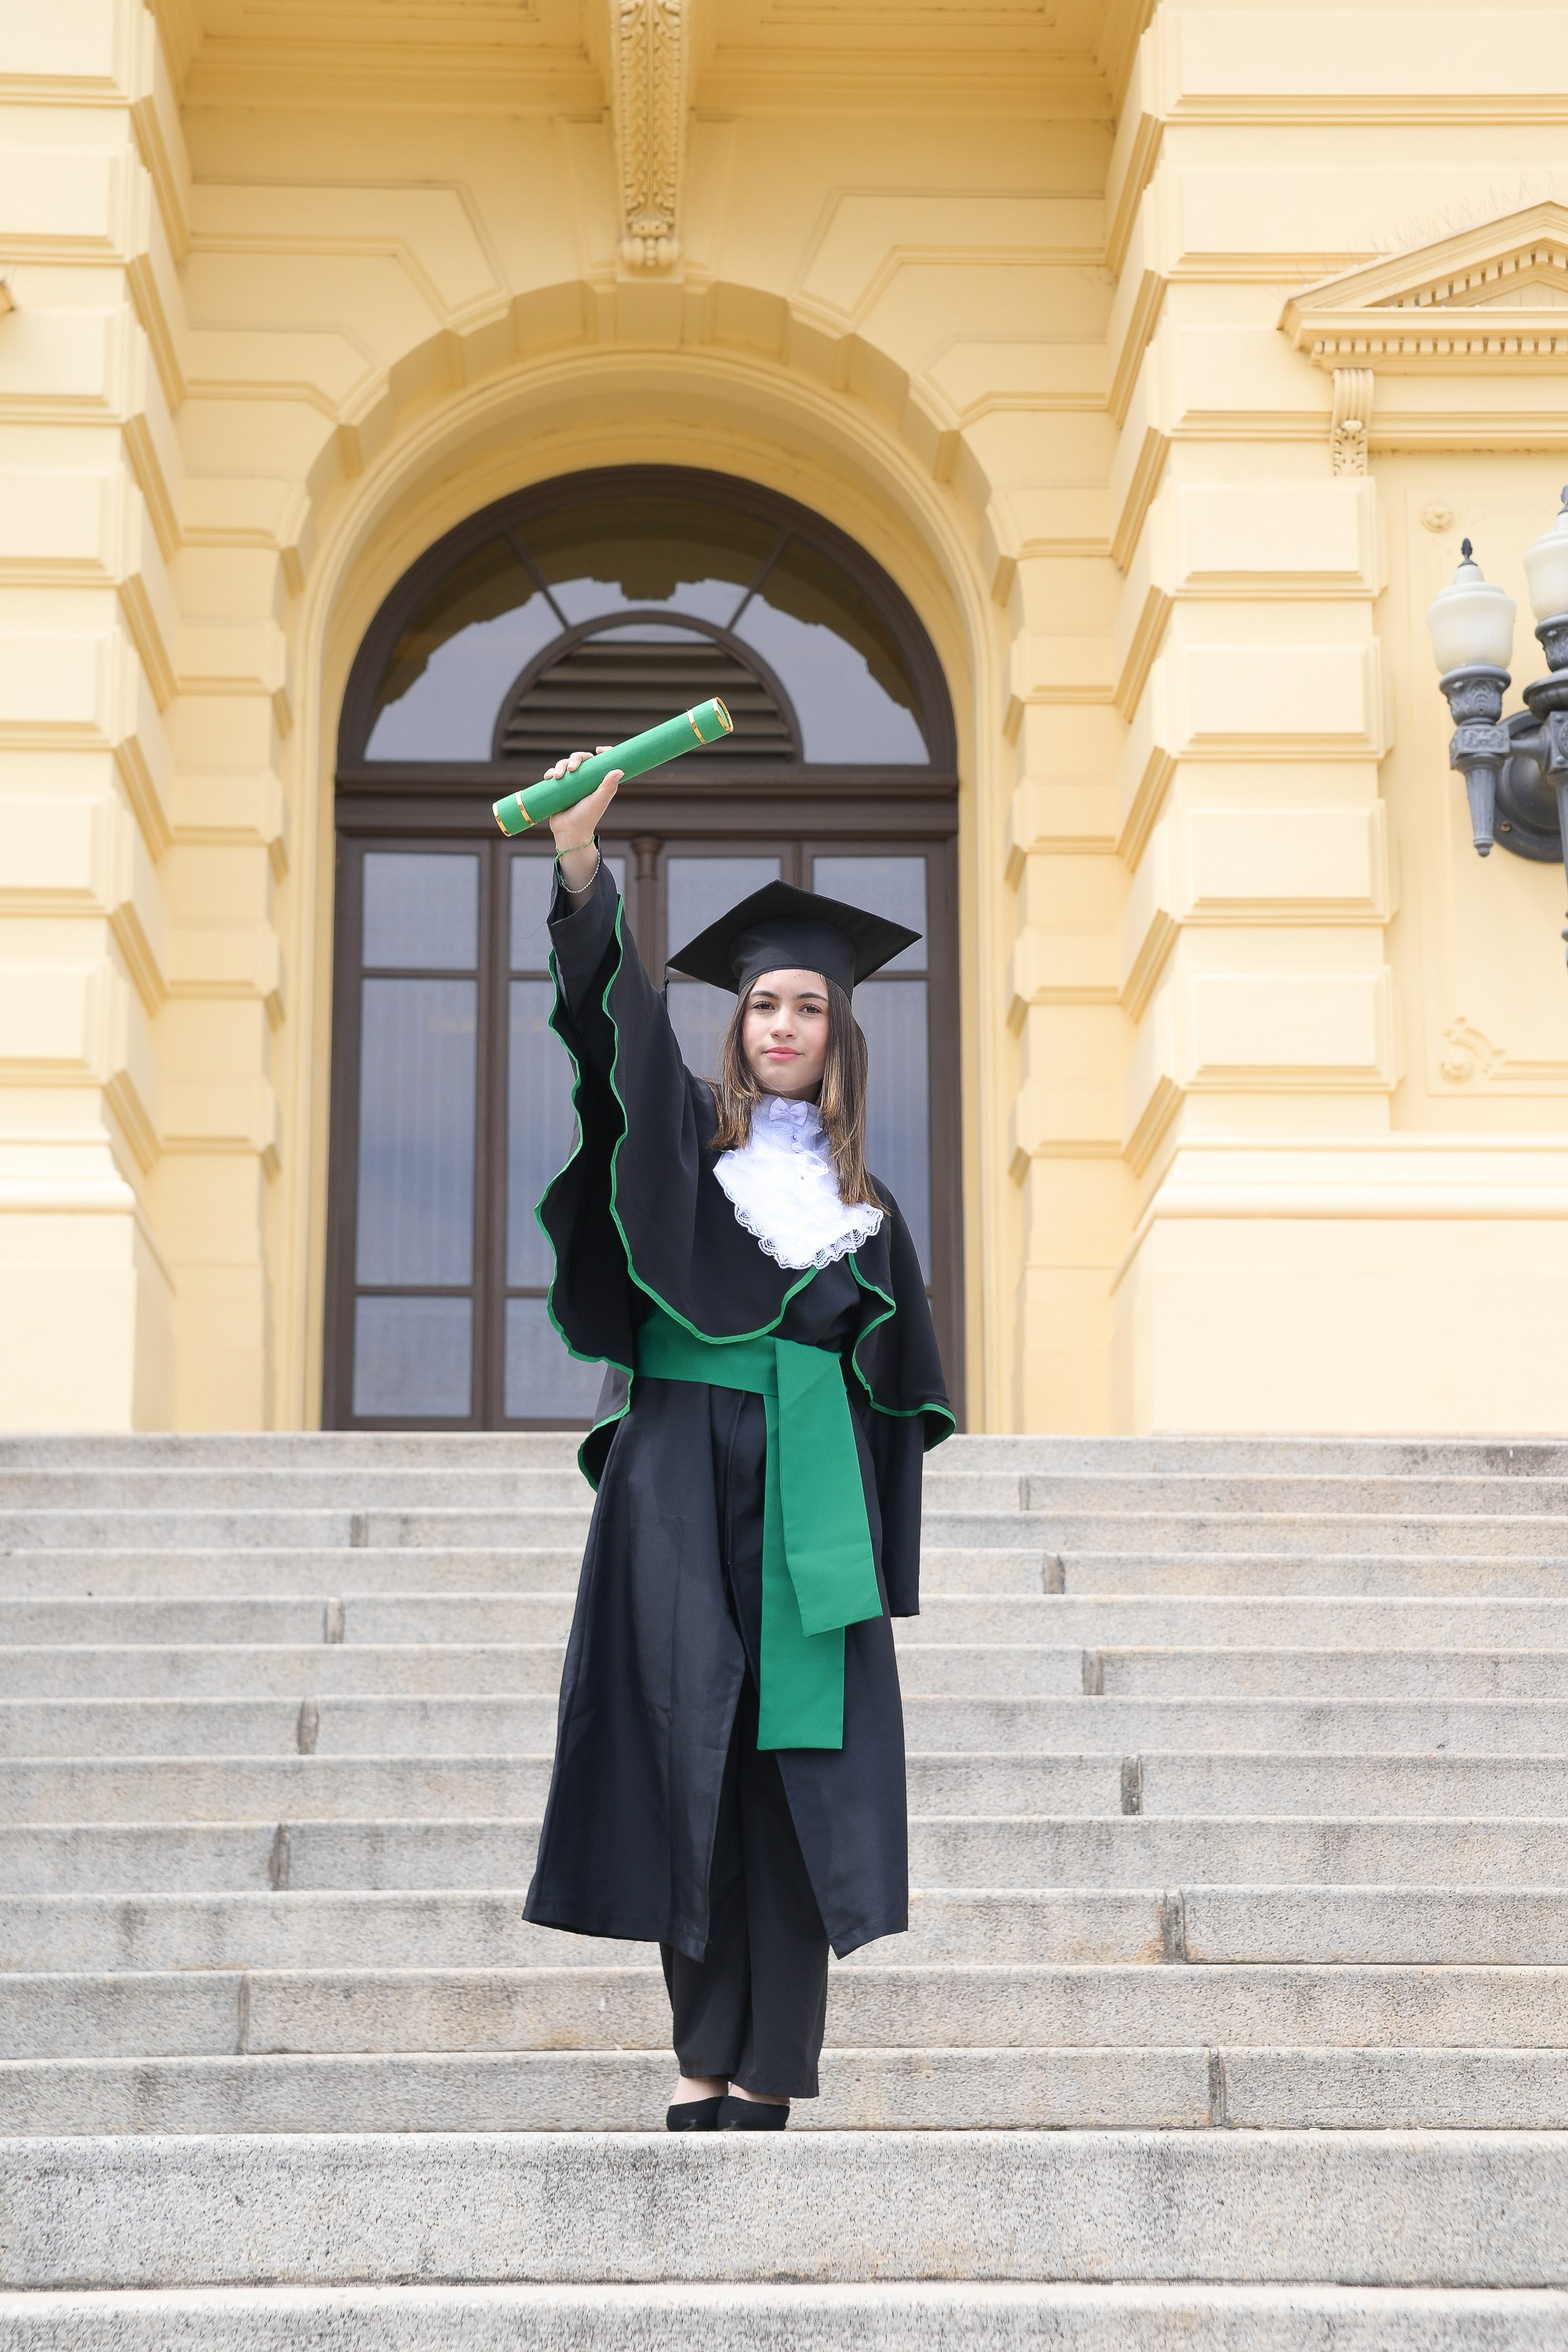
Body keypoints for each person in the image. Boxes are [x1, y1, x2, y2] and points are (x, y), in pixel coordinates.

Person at [523, 746, 953, 2131]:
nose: (781, 1022)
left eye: (807, 1005)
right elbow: (614, 1043)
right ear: (738, 1024)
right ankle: (701, 2055)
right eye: (763, 1002)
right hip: (673, 1483)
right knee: (680, 1758)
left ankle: (774, 2066)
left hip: (806, 1499)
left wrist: (873, 1557)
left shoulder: (870, 1213)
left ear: (838, 1033)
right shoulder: (684, 1167)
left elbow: (898, 1396)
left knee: (788, 1779)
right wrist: (585, 870)